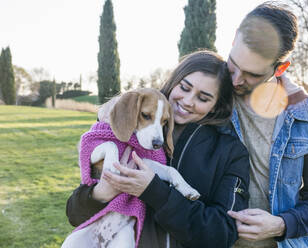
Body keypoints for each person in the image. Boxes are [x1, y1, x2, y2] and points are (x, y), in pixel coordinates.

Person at [66, 50, 250, 248]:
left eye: (203, 98)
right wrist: (100, 194)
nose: (188, 101)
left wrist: (155, 192)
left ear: (216, 105)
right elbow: (74, 213)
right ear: (174, 81)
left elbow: (222, 234)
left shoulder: (231, 152)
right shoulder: (130, 123)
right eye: (185, 87)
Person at [225, 2, 308, 248]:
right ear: (234, 38)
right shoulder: (206, 94)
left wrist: (280, 224)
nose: (235, 80)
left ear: (281, 68)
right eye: (234, 63)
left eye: (252, 74)